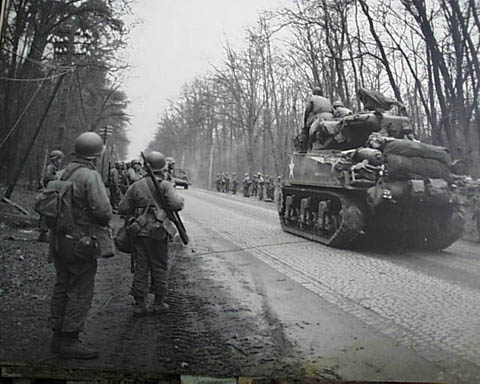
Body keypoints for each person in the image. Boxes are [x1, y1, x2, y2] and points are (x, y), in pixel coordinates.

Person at [49, 132, 112, 360]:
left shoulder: (61, 171)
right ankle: (70, 339)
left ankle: (58, 336)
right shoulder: (89, 176)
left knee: (62, 285)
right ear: (95, 155)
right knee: (80, 289)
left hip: (59, 240)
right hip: (81, 242)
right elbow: (103, 212)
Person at [118, 151, 184, 316]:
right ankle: (158, 303)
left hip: (139, 231)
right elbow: (176, 205)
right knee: (160, 265)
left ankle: (140, 304)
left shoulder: (136, 185)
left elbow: (122, 208)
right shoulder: (165, 185)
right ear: (162, 167)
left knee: (141, 266)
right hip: (159, 230)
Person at [38, 150, 65, 242]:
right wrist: (57, 176)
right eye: (60, 159)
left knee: (51, 212)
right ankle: (43, 234)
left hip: (52, 191)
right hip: (48, 191)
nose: (61, 161)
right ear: (56, 159)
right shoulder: (50, 167)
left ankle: (47, 233)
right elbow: (47, 177)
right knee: (46, 212)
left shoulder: (54, 167)